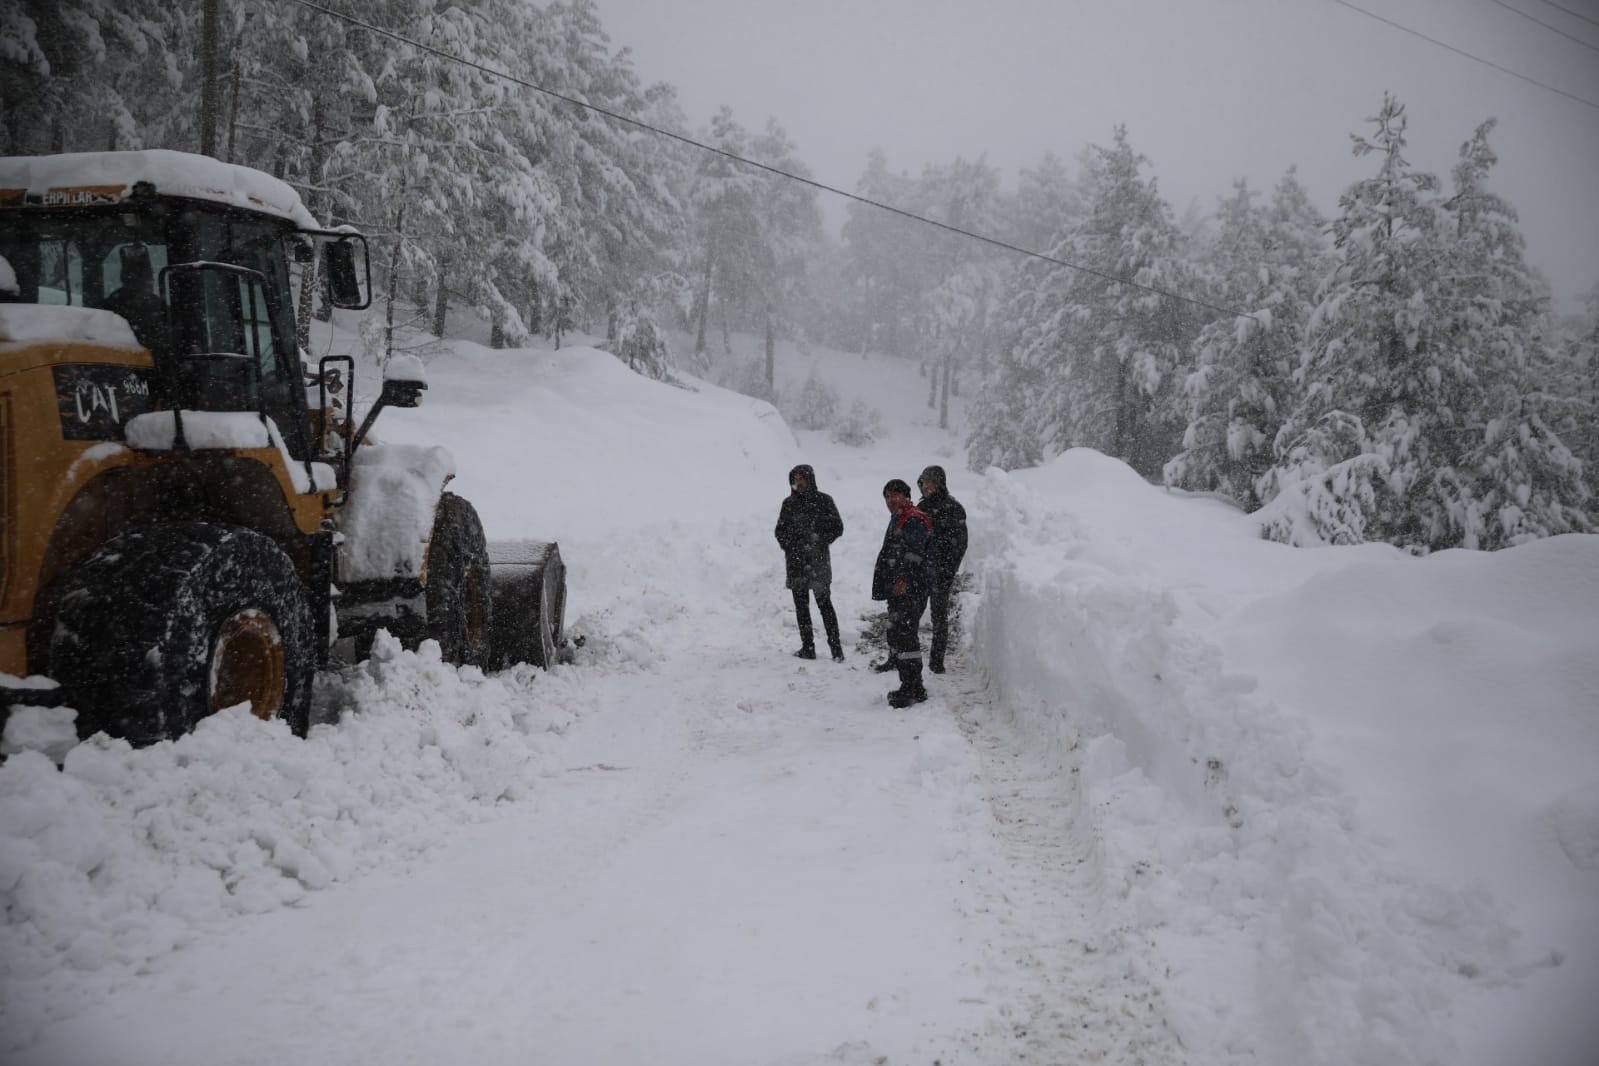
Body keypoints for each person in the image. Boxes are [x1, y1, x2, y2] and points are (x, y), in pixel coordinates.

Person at [871, 479, 933, 707]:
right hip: (902, 588)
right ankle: (911, 684)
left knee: (906, 636)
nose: (891, 499)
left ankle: (913, 688)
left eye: (895, 495)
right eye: (887, 496)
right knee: (900, 633)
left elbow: (914, 553)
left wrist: (903, 579)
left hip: (910, 588)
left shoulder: (913, 518)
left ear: (907, 496)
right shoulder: (900, 517)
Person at [774, 464, 845, 661]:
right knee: (801, 608)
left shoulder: (824, 501)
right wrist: (790, 545)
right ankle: (808, 648)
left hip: (818, 562)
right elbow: (779, 531)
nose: (799, 482)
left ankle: (836, 650)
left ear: (810, 479)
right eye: (795, 479)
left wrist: (818, 540)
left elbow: (838, 527)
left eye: (802, 478)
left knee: (825, 605)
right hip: (796, 563)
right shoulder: (788, 503)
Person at [916, 465, 967, 674]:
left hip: (940, 573)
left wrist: (948, 571)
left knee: (939, 617)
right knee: (911, 615)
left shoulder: (953, 508)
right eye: (924, 483)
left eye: (931, 483)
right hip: (919, 573)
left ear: (940, 484)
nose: (927, 488)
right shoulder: (920, 508)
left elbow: (960, 544)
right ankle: (903, 656)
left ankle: (936, 662)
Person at [101, 244, 168, 352]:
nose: (150, 280)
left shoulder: (160, 306)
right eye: (146, 275)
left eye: (149, 274)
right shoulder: (111, 306)